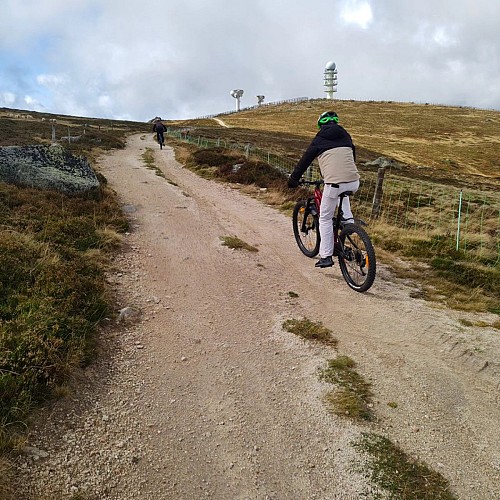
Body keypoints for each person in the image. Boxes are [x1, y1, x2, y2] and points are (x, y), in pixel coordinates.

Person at [288, 111, 360, 268]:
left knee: (325, 218)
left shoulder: (320, 138)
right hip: (354, 181)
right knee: (343, 194)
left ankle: (326, 256)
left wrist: (293, 179)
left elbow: (305, 160)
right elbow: (352, 155)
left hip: (334, 183)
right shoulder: (346, 135)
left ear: (321, 124)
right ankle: (349, 223)